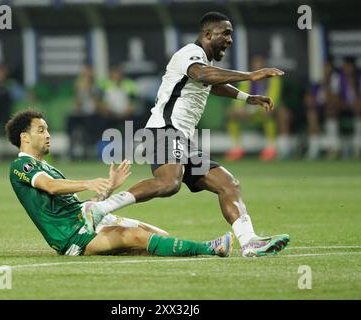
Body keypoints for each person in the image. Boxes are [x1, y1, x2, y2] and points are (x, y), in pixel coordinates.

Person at [85, 12, 290, 257]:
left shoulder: (204, 62)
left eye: (231, 34)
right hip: (164, 129)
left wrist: (247, 97)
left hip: (183, 139)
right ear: (207, 34)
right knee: (169, 183)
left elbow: (213, 83)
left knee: (228, 184)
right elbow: (203, 76)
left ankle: (250, 242)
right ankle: (99, 209)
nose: (230, 39)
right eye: (225, 33)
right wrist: (250, 76)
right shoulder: (189, 55)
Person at [5, 109, 234, 257]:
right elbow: (51, 187)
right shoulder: (21, 167)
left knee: (157, 236)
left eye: (48, 130)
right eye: (41, 130)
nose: (48, 135)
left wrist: (109, 188)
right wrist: (88, 182)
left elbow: (73, 206)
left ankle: (140, 248)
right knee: (134, 237)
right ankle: (211, 248)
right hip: (72, 236)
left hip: (86, 219)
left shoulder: (50, 167)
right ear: (25, 137)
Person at [225, 55, 284, 161]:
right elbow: (239, 96)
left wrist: (259, 108)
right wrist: (240, 109)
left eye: (260, 66)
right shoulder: (248, 80)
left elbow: (273, 98)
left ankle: (271, 148)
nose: (258, 69)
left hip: (264, 110)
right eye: (256, 67)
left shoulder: (273, 80)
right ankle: (236, 148)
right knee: (231, 113)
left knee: (269, 112)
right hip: (250, 111)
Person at [66, 65, 106, 159]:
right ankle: (72, 145)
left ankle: (91, 146)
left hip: (93, 113)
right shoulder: (79, 86)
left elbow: (98, 103)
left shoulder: (97, 86)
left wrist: (89, 90)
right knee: (70, 119)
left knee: (91, 122)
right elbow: (77, 104)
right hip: (82, 113)